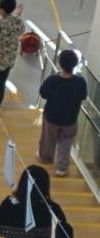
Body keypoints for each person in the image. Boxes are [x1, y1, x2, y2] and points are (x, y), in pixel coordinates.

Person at [38, 49, 87, 177]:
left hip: (51, 117)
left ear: (60, 63)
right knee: (66, 143)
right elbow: (83, 96)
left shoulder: (52, 80)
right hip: (70, 119)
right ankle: (62, 168)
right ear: (75, 64)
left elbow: (43, 94)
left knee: (48, 139)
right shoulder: (80, 81)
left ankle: (46, 157)